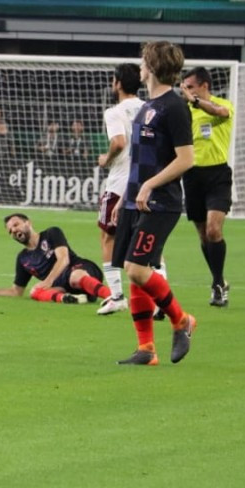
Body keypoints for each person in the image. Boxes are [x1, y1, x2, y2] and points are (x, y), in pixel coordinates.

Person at [112, 41, 197, 366]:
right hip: (136, 200)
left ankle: (181, 320)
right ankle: (146, 349)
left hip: (161, 203)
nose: (140, 65)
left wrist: (149, 185)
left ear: (152, 65)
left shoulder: (174, 108)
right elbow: (139, 159)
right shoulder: (148, 106)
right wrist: (126, 196)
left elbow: (186, 159)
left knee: (137, 268)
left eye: (143, 60)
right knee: (135, 271)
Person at [95, 63, 152, 316]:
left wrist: (107, 158)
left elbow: (119, 142)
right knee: (148, 240)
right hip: (147, 183)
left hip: (119, 183)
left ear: (117, 83)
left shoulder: (114, 112)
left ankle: (117, 296)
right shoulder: (149, 109)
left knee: (108, 236)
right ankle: (158, 302)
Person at [0, 213, 115, 305]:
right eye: (10, 231)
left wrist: (48, 281)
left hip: (82, 269)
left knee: (75, 277)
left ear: (28, 223)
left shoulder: (51, 233)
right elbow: (16, 292)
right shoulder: (23, 259)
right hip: (63, 286)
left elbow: (64, 259)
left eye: (16, 225)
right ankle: (72, 299)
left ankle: (113, 297)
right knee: (34, 292)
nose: (14, 230)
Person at [179, 66, 234, 307]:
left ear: (204, 86)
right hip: (192, 176)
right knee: (203, 234)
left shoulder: (223, 104)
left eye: (190, 87)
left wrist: (196, 102)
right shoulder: (185, 111)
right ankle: (220, 281)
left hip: (218, 174)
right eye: (185, 88)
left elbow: (221, 113)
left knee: (213, 230)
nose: (187, 92)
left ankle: (217, 284)